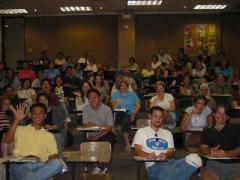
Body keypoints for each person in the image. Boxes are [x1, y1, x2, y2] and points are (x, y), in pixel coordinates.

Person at [132, 106, 202, 180]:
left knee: (195, 158)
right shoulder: (141, 132)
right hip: (154, 167)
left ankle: (176, 173)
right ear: (150, 116)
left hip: (171, 163)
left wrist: (166, 155)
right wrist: (147, 155)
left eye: (161, 117)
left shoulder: (167, 133)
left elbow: (171, 152)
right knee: (165, 176)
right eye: (155, 116)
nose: (158, 119)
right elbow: (137, 150)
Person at [4, 103, 63, 180]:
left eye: (40, 113)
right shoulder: (20, 129)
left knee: (58, 163)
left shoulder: (49, 136)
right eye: (35, 113)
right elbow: (7, 140)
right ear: (30, 115)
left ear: (44, 116)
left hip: (39, 166)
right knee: (30, 176)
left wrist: (52, 159)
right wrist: (17, 120)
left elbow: (53, 155)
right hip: (20, 165)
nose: (37, 116)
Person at [200, 105, 240, 180]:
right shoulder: (207, 131)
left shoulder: (236, 128)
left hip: (236, 164)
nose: (221, 116)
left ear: (228, 117)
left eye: (224, 114)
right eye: (219, 113)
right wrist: (210, 152)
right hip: (215, 165)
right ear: (214, 114)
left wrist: (228, 153)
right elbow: (203, 147)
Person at [111, 80, 141, 152]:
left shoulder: (132, 94)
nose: (124, 87)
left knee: (127, 118)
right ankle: (127, 143)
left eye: (125, 86)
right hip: (120, 114)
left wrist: (134, 112)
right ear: (119, 87)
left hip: (132, 114)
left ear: (128, 87)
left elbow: (138, 105)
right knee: (125, 117)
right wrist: (116, 103)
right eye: (122, 86)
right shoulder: (115, 94)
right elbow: (113, 107)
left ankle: (120, 127)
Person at [37, 93, 68, 158]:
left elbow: (62, 123)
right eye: (40, 100)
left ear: (48, 101)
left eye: (45, 100)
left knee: (53, 138)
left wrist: (54, 126)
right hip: (41, 134)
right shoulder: (36, 111)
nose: (42, 102)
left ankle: (60, 160)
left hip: (56, 133)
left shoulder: (55, 109)